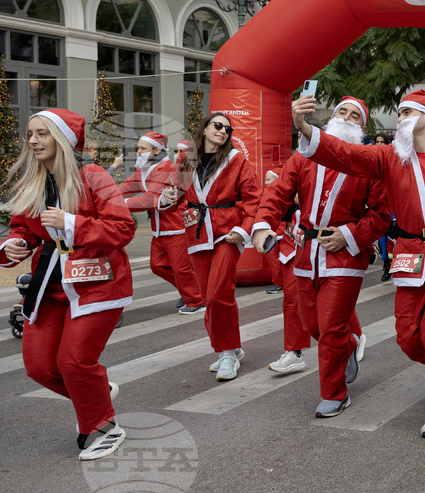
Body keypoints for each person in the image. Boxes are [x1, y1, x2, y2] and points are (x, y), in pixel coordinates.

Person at [292, 89, 425, 437]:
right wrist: (304, 127)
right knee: (408, 338)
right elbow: (345, 154)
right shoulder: (392, 157)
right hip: (410, 256)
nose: (400, 117)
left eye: (407, 111)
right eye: (398, 111)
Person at [0, 109, 135, 460]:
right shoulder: (33, 179)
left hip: (98, 283)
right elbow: (22, 228)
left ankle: (104, 427)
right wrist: (13, 244)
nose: (33, 140)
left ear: (61, 138)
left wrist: (73, 222)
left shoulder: (94, 175)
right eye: (30, 133)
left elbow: (123, 228)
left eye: (42, 133)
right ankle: (97, 394)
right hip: (48, 285)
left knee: (74, 363)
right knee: (39, 367)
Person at [254, 96, 391, 418]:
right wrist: (261, 225)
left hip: (344, 256)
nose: (346, 117)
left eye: (354, 115)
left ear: (363, 127)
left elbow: (381, 216)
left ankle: (334, 393)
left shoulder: (370, 165)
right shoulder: (304, 157)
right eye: (341, 111)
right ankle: (347, 346)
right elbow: (277, 193)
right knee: (311, 323)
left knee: (329, 327)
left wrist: (350, 235)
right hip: (305, 252)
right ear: (331, 119)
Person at [168, 112, 261, 381]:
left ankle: (227, 354)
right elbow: (181, 197)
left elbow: (254, 199)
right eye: (218, 126)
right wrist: (169, 198)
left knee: (219, 293)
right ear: (205, 128)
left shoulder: (236, 160)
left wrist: (242, 230)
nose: (223, 132)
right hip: (197, 235)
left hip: (226, 234)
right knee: (209, 298)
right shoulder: (187, 162)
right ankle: (228, 347)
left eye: (227, 130)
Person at [119, 130, 204, 315]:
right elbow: (128, 185)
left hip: (176, 228)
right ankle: (191, 290)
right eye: (138, 148)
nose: (138, 151)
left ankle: (196, 298)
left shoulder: (166, 169)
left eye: (143, 148)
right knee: (157, 266)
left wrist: (120, 204)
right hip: (159, 230)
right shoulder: (144, 168)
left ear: (156, 151)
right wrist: (108, 196)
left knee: (181, 269)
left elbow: (149, 200)